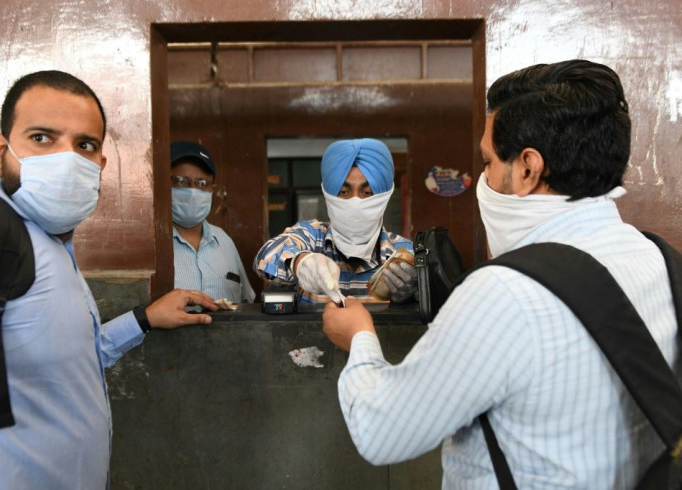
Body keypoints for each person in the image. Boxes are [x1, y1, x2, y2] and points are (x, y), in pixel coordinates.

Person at [322, 60, 678, 488]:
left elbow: (382, 433)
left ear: (527, 168)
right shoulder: (660, 260)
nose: (485, 178)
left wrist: (360, 337)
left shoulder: (505, 294)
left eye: (488, 162)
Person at [0, 70, 219, 489]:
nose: (66, 157)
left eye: (84, 145)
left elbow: (73, 361)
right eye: (42, 138)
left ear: (100, 164)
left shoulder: (47, 243)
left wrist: (142, 319)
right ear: (0, 148)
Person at [254, 138, 416, 305]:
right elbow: (266, 255)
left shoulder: (405, 253)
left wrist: (415, 293)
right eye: (344, 192)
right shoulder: (312, 235)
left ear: (385, 196)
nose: (355, 202)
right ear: (329, 195)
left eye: (367, 192)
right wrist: (300, 262)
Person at [170, 140, 255, 303]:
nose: (193, 191)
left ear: (212, 190)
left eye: (202, 183)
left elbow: (246, 301)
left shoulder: (224, 241)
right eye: (181, 181)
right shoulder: (150, 245)